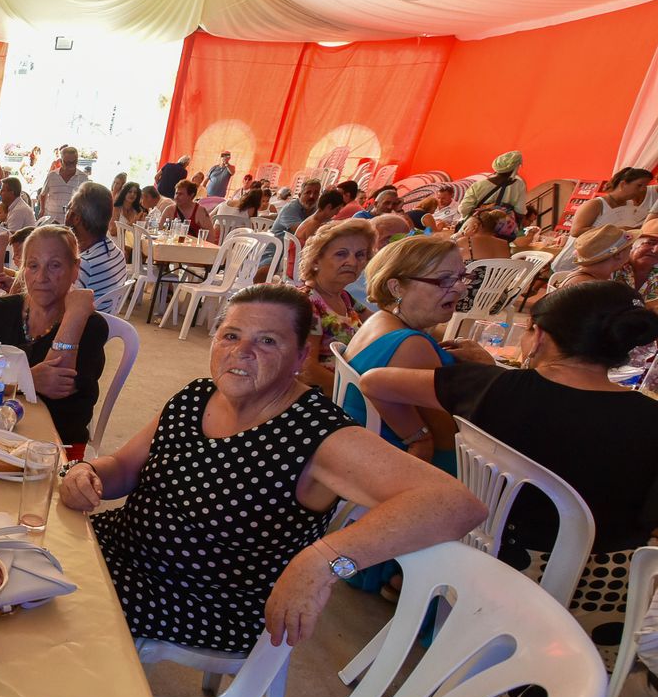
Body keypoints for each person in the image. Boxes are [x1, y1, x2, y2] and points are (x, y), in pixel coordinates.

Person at [62, 283, 484, 652]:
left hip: (201, 599)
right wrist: (89, 473)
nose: (241, 351)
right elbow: (124, 467)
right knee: (15, 558)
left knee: (38, 611)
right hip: (120, 551)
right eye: (231, 335)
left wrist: (324, 559)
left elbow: (456, 504)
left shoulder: (317, 433)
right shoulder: (198, 395)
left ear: (301, 356)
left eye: (267, 342)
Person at [360, 280, 658, 697]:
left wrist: (418, 436)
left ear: (538, 335)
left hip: (479, 550)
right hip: (590, 588)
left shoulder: (492, 386)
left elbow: (374, 382)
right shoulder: (648, 420)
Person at [0, 225, 107, 457]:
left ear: (75, 270)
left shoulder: (90, 325)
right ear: (23, 269)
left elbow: (57, 387)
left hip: (57, 445)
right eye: (33, 266)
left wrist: (74, 316)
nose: (42, 277)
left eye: (55, 265)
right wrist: (27, 379)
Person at [343, 236, 463, 473]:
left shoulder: (379, 320)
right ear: (397, 287)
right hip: (403, 470)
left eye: (461, 277)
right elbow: (449, 440)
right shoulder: (411, 345)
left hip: (366, 455)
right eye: (444, 280)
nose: (460, 288)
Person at [296, 219, 374, 387]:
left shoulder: (346, 298)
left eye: (360, 255)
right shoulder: (308, 302)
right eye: (341, 254)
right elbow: (306, 369)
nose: (353, 262)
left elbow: (380, 324)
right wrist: (356, 394)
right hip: (324, 396)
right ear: (316, 260)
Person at [66, 182, 127, 306]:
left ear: (76, 218)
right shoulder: (115, 252)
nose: (66, 214)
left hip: (86, 322)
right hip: (106, 319)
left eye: (68, 209)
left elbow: (65, 309)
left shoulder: (84, 265)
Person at [570, 167, 657, 236]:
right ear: (623, 184)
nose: (642, 189)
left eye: (645, 186)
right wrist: (616, 230)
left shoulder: (631, 206)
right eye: (639, 185)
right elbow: (576, 232)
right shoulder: (595, 204)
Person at [558, 224, 634, 288]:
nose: (631, 249)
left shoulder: (586, 278)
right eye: (630, 248)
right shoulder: (592, 287)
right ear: (618, 254)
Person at [460, 151, 527, 219]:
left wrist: (483, 210)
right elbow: (520, 212)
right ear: (515, 168)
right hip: (503, 227)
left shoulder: (478, 185)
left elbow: (463, 209)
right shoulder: (519, 185)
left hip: (479, 226)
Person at [39, 146, 88, 220]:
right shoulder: (52, 175)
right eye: (67, 162)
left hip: (72, 221)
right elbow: (43, 194)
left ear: (77, 161)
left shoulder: (83, 177)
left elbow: (86, 200)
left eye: (73, 162)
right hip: (52, 220)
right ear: (61, 161)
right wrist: (42, 210)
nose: (71, 165)